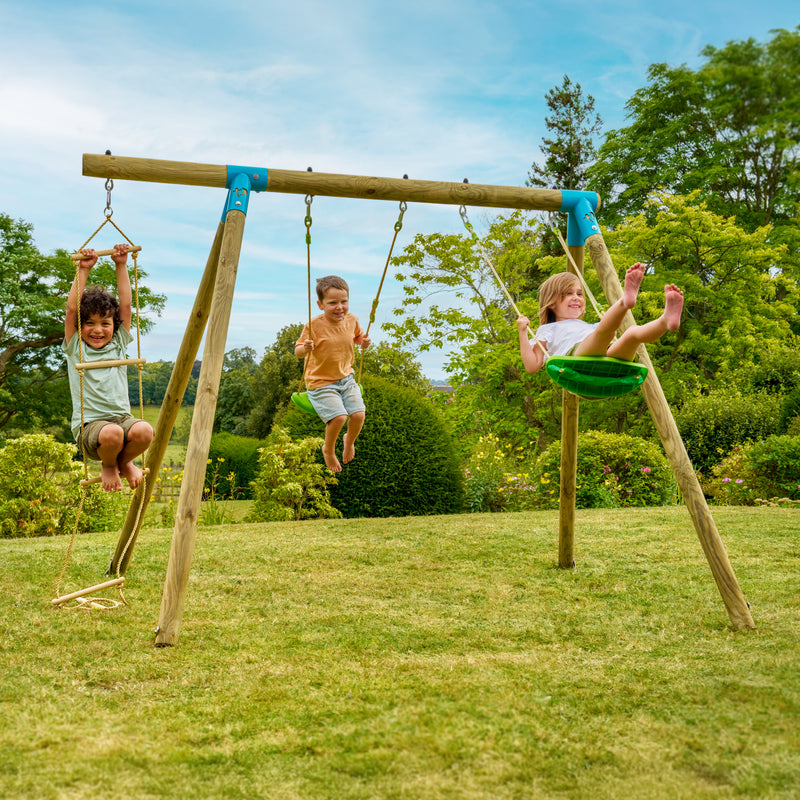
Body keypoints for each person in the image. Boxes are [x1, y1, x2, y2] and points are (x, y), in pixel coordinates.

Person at [64, 244, 154, 492]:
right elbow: (72, 310)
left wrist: (121, 265)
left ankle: (124, 462)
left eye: (105, 323)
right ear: (81, 326)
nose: (98, 330)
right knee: (113, 434)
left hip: (121, 420)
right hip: (92, 428)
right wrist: (83, 270)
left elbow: (126, 306)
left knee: (145, 431)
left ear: (114, 326)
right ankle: (109, 465)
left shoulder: (118, 343)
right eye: (90, 323)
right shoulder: (76, 348)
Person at [517, 262, 684, 375]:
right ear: (551, 303)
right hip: (576, 363)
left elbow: (604, 334)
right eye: (568, 293)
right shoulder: (548, 329)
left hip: (609, 361)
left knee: (633, 333)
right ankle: (625, 302)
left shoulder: (586, 327)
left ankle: (665, 322)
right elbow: (532, 366)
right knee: (603, 332)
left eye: (579, 294)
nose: (577, 298)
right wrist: (523, 332)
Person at [295, 275, 371, 472]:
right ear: (320, 305)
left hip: (346, 378)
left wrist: (362, 342)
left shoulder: (352, 320)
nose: (340, 307)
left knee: (359, 415)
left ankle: (349, 441)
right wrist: (306, 347)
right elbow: (298, 351)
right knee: (339, 418)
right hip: (321, 383)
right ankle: (328, 450)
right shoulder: (313, 326)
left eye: (343, 301)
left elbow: (356, 337)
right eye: (333, 303)